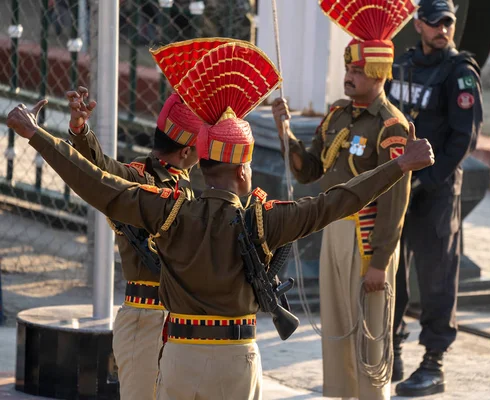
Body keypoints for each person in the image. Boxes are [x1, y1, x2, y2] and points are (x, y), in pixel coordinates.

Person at [7, 38, 434, 400]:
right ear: (244, 170)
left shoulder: (169, 211)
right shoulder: (265, 221)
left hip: (178, 356)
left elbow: (97, 182)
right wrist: (399, 167)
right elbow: (336, 201)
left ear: (202, 163)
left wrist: (37, 135)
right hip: (235, 359)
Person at [271, 1, 416, 398]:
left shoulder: (391, 126)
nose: (348, 77)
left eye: (356, 71)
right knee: (335, 328)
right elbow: (310, 170)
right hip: (332, 227)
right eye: (347, 69)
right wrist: (286, 132)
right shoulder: (337, 114)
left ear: (376, 73)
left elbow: (395, 202)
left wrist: (380, 263)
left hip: (366, 238)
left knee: (368, 335)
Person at [65, 86, 203, 400]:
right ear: (184, 152)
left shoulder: (183, 181)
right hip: (146, 316)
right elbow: (100, 170)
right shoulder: (141, 178)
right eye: (199, 145)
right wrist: (80, 131)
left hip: (177, 316)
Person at [385, 0, 483, 396]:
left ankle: (433, 363)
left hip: (437, 190)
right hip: (398, 185)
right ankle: (391, 350)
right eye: (434, 22)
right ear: (419, 25)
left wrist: (428, 177)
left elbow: (465, 137)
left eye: (448, 23)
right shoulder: (402, 65)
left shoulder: (460, 73)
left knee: (437, 275)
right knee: (391, 269)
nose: (442, 29)